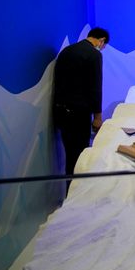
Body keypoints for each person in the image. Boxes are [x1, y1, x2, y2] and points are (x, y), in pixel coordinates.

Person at [53, 27, 109, 175]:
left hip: (60, 112)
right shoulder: (93, 55)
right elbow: (95, 87)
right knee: (80, 157)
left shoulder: (67, 51)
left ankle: (68, 193)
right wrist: (97, 117)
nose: (101, 49)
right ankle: (77, 194)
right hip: (78, 115)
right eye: (103, 46)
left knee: (69, 156)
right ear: (101, 41)